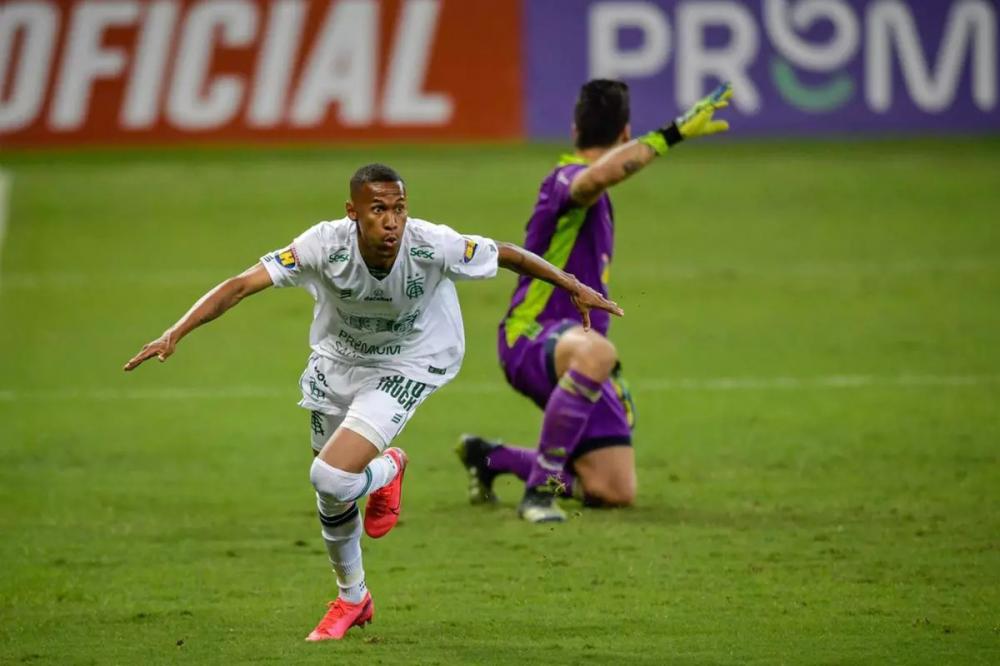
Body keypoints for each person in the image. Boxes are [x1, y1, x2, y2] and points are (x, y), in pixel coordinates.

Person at [123, 164, 621, 640]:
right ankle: (353, 597)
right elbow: (241, 285)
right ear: (352, 213)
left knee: (330, 476)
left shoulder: (430, 243)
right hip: (337, 363)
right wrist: (176, 332)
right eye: (378, 210)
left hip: (409, 363)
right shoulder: (322, 245)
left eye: (399, 208)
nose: (392, 221)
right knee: (333, 494)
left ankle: (387, 470)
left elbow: (507, 252)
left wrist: (575, 287)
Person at [457, 80, 733, 523]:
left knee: (612, 490)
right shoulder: (564, 180)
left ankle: (492, 457)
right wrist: (671, 134)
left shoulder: (591, 196)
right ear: (626, 134)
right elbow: (597, 176)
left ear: (574, 128)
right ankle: (539, 496)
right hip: (531, 337)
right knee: (599, 352)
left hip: (578, 349)